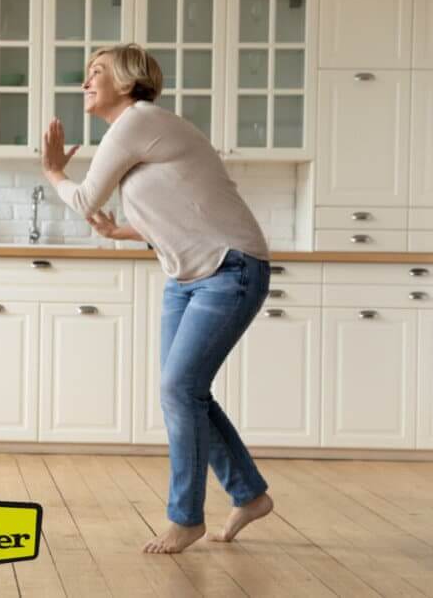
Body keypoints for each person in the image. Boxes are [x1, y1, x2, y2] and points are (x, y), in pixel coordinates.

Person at [40, 43, 274, 554]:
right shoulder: (138, 133)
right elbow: (179, 210)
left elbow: (82, 198)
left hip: (229, 268)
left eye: (96, 71)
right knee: (184, 392)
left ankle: (185, 518)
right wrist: (120, 231)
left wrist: (54, 171)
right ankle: (249, 495)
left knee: (180, 390)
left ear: (126, 82)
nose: (86, 81)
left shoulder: (136, 121)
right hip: (188, 275)